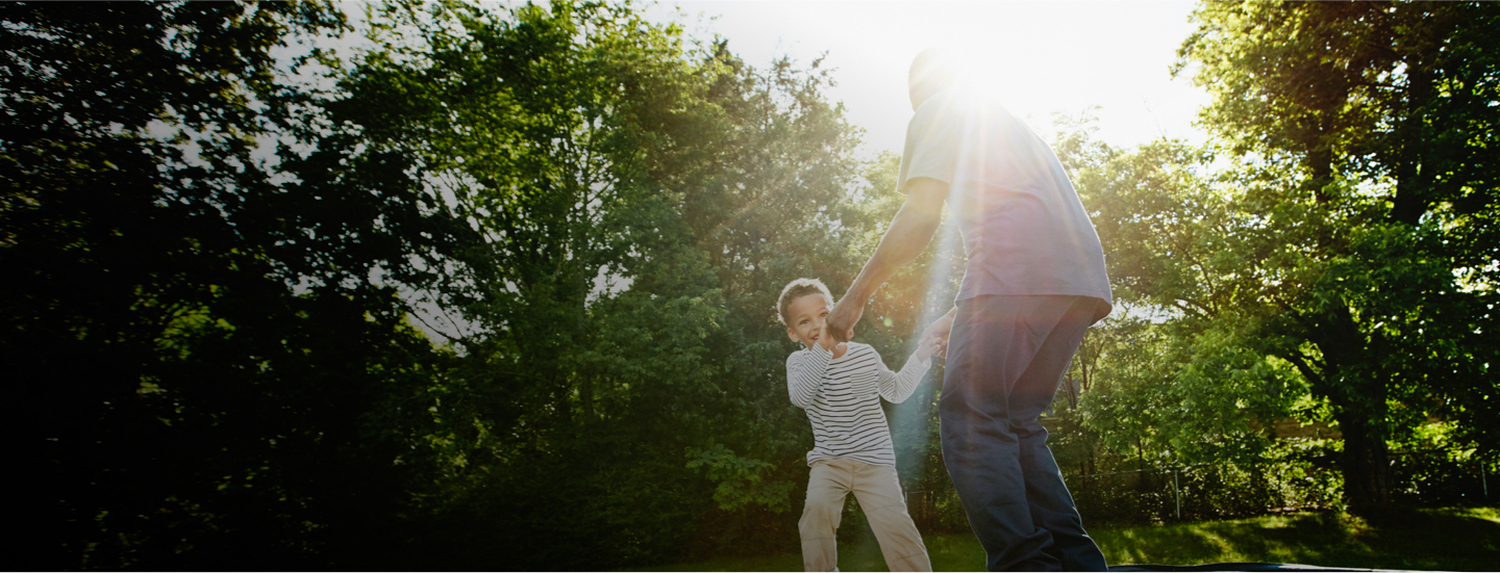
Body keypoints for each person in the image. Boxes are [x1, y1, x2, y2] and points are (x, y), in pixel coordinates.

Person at [825, 49, 1114, 571]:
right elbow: (1028, 219)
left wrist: (855, 296)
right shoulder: (1003, 122)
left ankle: (1024, 567)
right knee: (1016, 422)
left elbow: (920, 216)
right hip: (1078, 280)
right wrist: (962, 313)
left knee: (973, 422)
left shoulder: (938, 107)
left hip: (1015, 276)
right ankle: (1076, 565)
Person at [779, 277, 947, 572]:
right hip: (829, 463)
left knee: (896, 526)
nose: (817, 325)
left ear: (837, 313)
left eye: (823, 315)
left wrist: (920, 357)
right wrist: (824, 348)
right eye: (805, 322)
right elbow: (802, 396)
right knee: (815, 513)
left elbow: (895, 391)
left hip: (875, 462)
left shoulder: (864, 355)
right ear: (793, 333)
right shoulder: (798, 362)